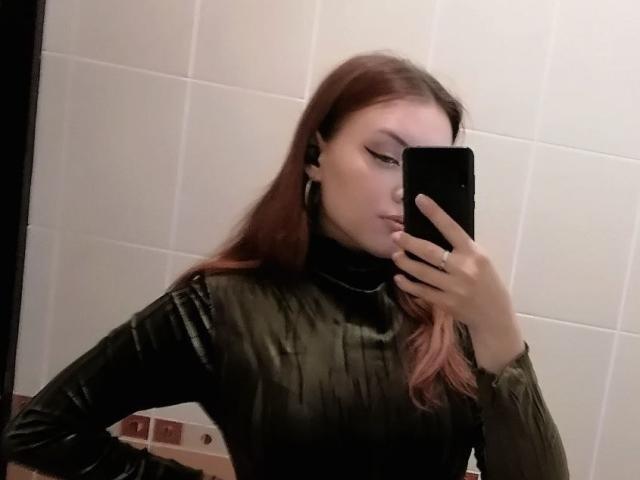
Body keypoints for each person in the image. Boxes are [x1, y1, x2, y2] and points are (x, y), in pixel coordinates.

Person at [1, 52, 569, 480]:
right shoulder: (224, 305)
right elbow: (43, 429)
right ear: (316, 155)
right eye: (383, 156)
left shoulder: (455, 313)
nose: (406, 191)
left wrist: (499, 332)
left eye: (424, 168)